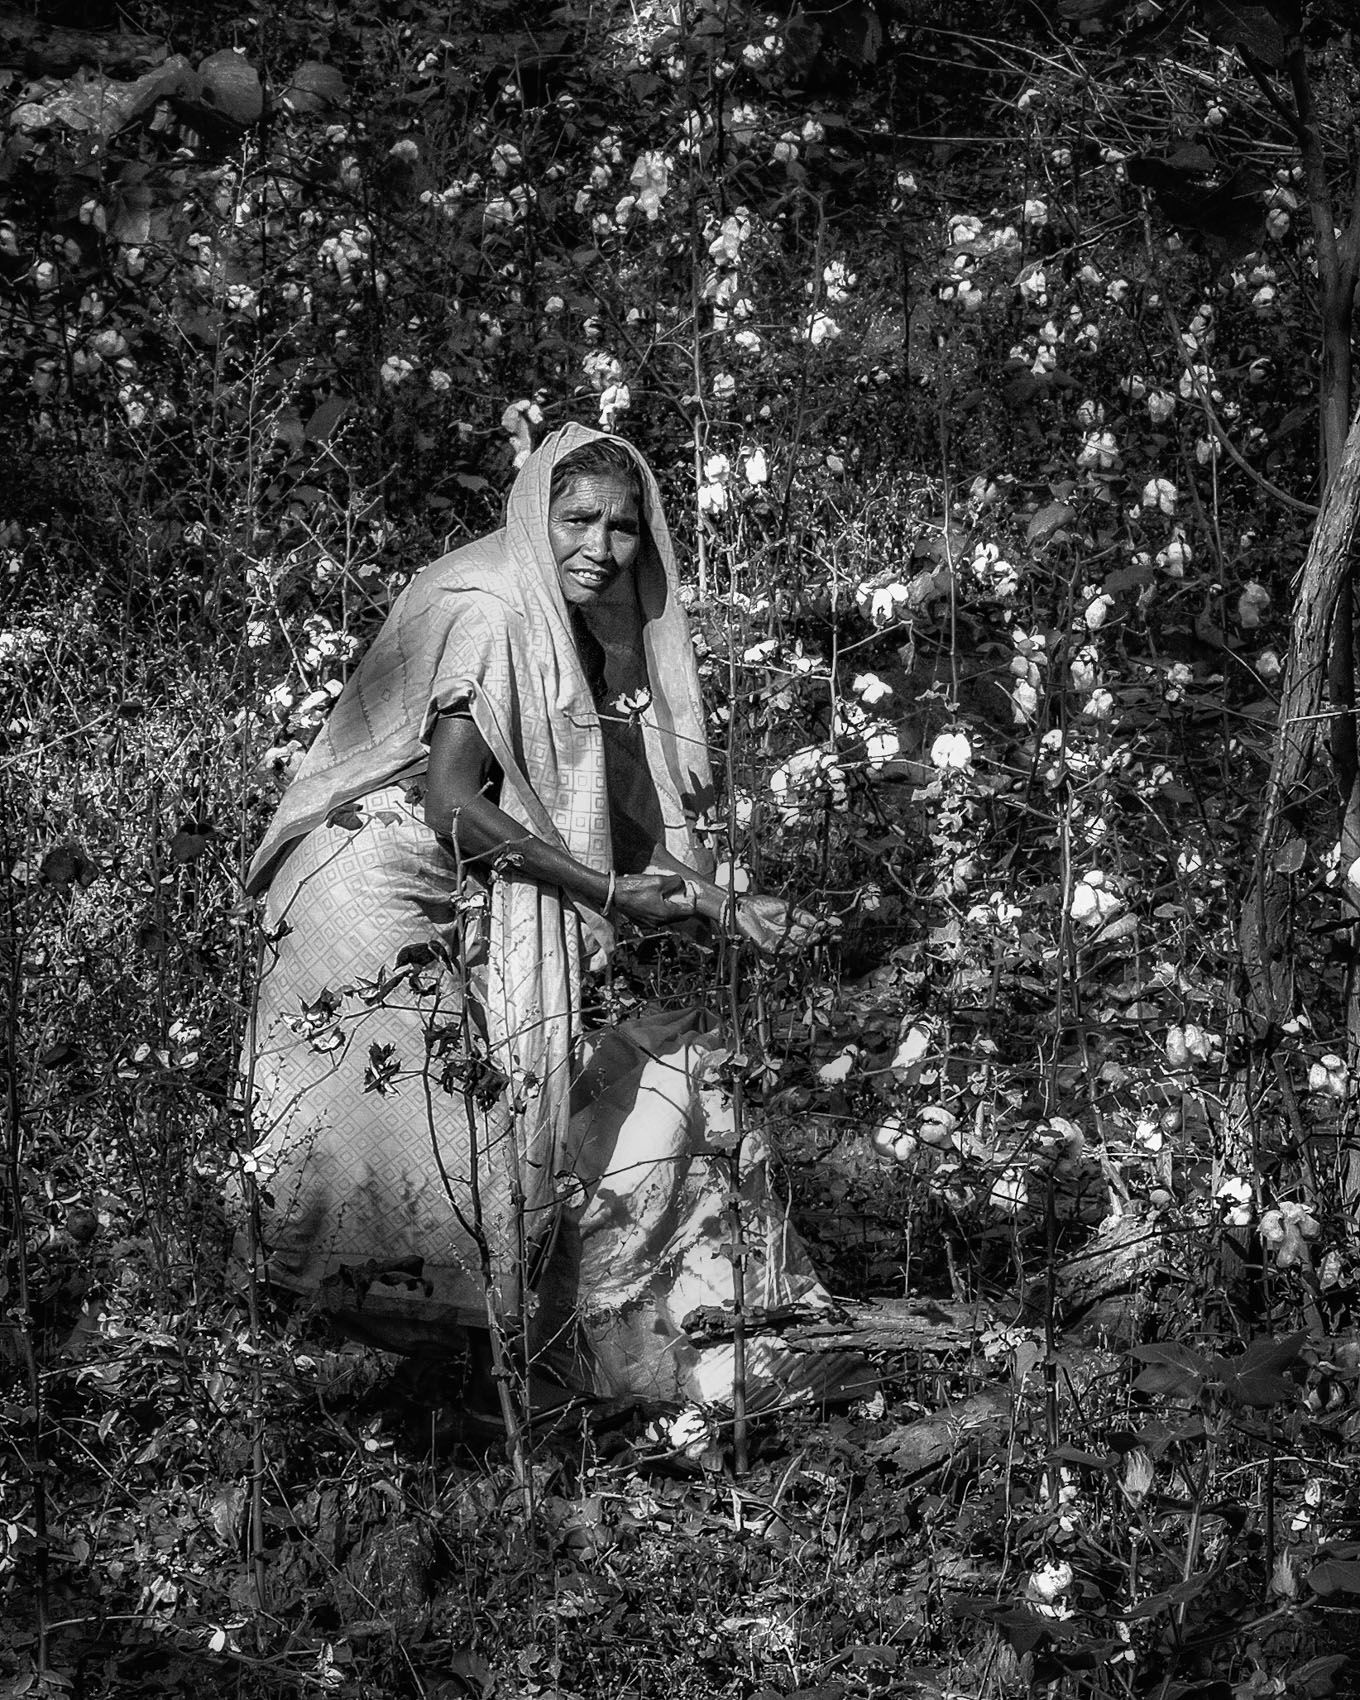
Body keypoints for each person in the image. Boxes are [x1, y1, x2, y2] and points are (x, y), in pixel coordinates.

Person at [239, 423, 853, 1412]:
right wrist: (604, 892)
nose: (600, 548)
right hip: (368, 883)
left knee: (492, 1126)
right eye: (577, 519)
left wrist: (714, 897)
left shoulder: (547, 611)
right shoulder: (492, 605)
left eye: (621, 526)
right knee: (445, 1141)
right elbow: (452, 798)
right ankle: (467, 1387)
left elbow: (553, 793)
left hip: (439, 873)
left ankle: (493, 1383)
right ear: (535, 511)